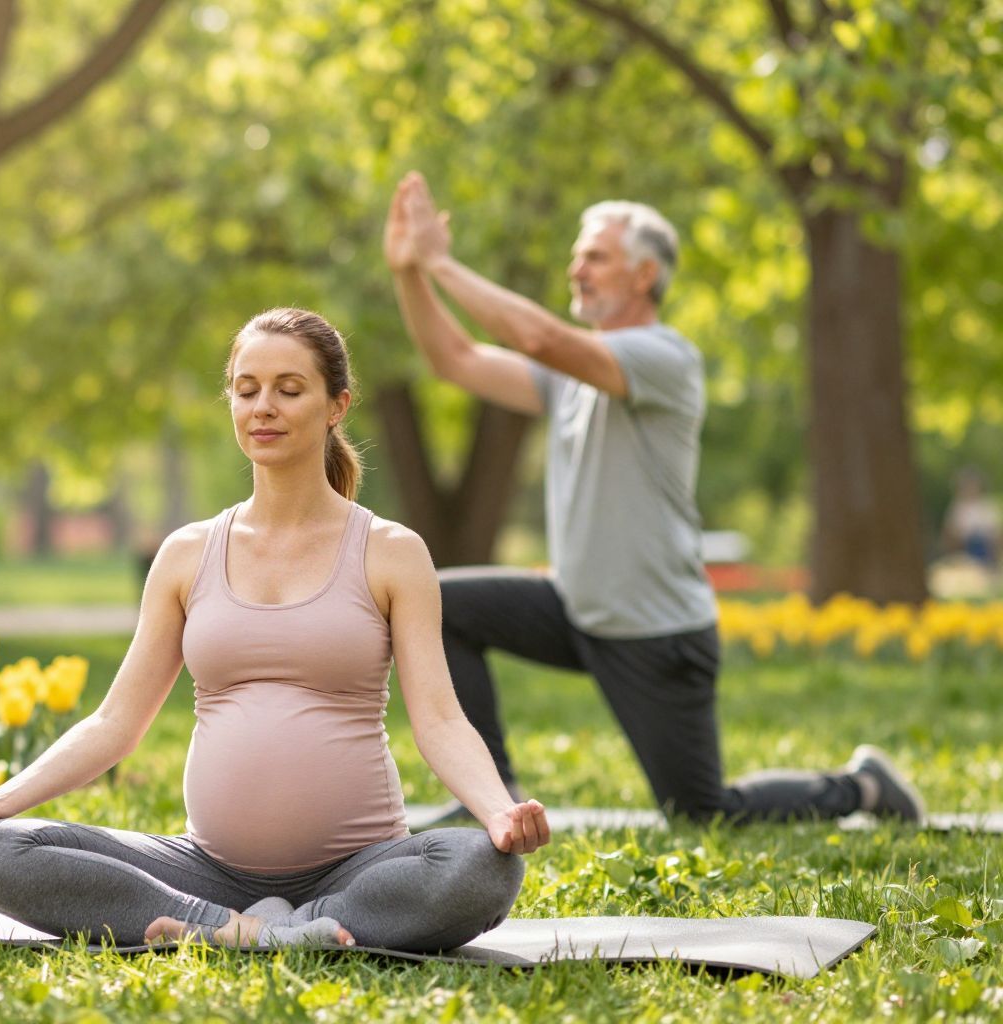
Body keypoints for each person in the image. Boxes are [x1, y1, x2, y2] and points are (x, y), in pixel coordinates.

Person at [0, 308, 550, 951]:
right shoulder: (187, 553)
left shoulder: (391, 551)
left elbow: (439, 720)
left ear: (336, 406)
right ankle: (250, 928)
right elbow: (114, 723)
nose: (263, 407)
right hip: (206, 871)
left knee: (482, 868)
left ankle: (265, 927)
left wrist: (498, 812)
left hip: (359, 868)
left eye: (289, 390)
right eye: (247, 390)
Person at [384, 171, 924, 824]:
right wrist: (409, 271)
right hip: (577, 606)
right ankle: (487, 795)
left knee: (702, 811)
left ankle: (863, 787)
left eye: (596, 256)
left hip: (653, 630)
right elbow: (457, 360)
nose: (576, 268)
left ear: (645, 275)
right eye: (577, 255)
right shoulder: (569, 377)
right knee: (440, 604)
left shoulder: (664, 357)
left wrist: (442, 262)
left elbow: (541, 339)